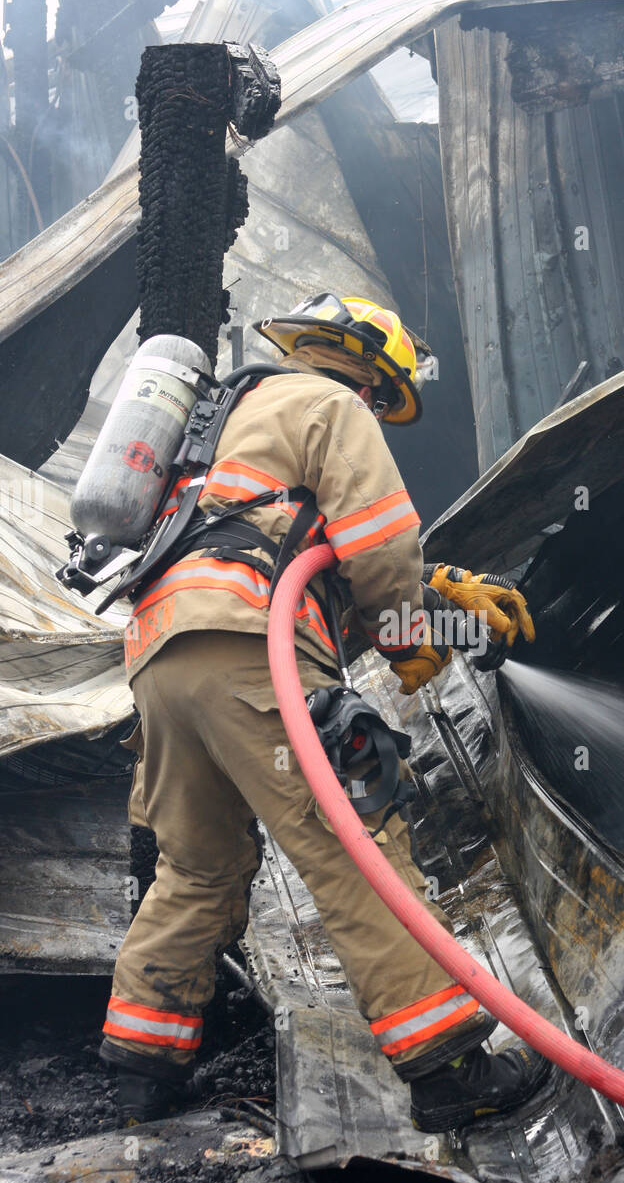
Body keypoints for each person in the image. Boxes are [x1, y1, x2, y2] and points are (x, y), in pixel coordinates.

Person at [100, 290, 549, 1131]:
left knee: (197, 868)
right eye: (384, 395)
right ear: (367, 371)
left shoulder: (221, 415)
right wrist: (411, 631)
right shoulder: (331, 404)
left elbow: (289, 546)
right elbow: (379, 543)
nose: (378, 409)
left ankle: (141, 1072)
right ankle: (448, 1067)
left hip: (161, 659)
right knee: (353, 847)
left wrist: (440, 595)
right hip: (248, 652)